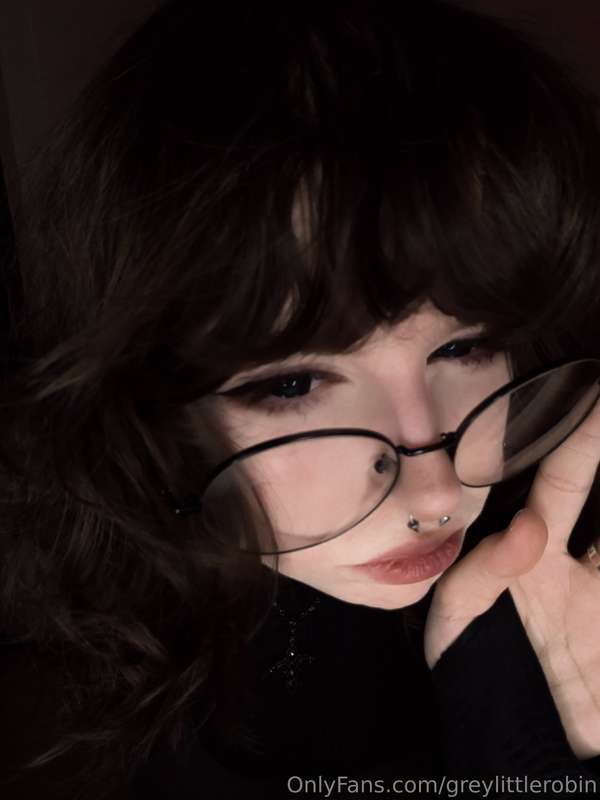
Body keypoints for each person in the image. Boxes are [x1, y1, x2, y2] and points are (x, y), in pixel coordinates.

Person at [2, 0, 600, 797]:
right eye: (292, 385)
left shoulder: (571, 580)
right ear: (148, 406)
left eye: (466, 348)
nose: (435, 493)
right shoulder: (104, 634)